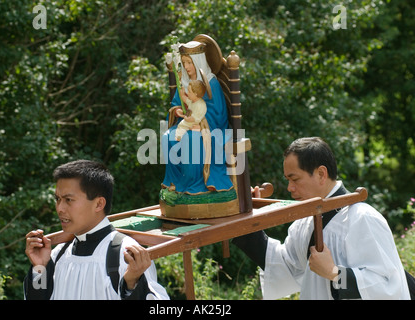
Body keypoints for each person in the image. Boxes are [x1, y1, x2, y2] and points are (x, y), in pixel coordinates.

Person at [233, 137, 410, 299]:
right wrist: (246, 218)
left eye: (294, 179)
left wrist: (335, 273)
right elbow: (283, 267)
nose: (289, 188)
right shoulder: (304, 222)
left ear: (321, 174)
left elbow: (390, 287)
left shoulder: (363, 218)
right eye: (287, 180)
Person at [23, 160, 169, 300]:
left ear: (99, 204)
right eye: (58, 199)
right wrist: (40, 267)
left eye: (68, 200)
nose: (60, 208)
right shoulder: (57, 255)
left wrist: (131, 285)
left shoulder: (126, 254)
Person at [161, 40, 233, 195]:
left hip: (210, 129)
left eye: (190, 63)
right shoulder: (184, 81)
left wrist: (199, 122)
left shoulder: (211, 83)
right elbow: (177, 104)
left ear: (198, 61)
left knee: (190, 140)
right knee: (168, 137)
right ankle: (177, 182)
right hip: (187, 125)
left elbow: (218, 114)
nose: (186, 67)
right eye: (184, 62)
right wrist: (178, 111)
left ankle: (196, 185)